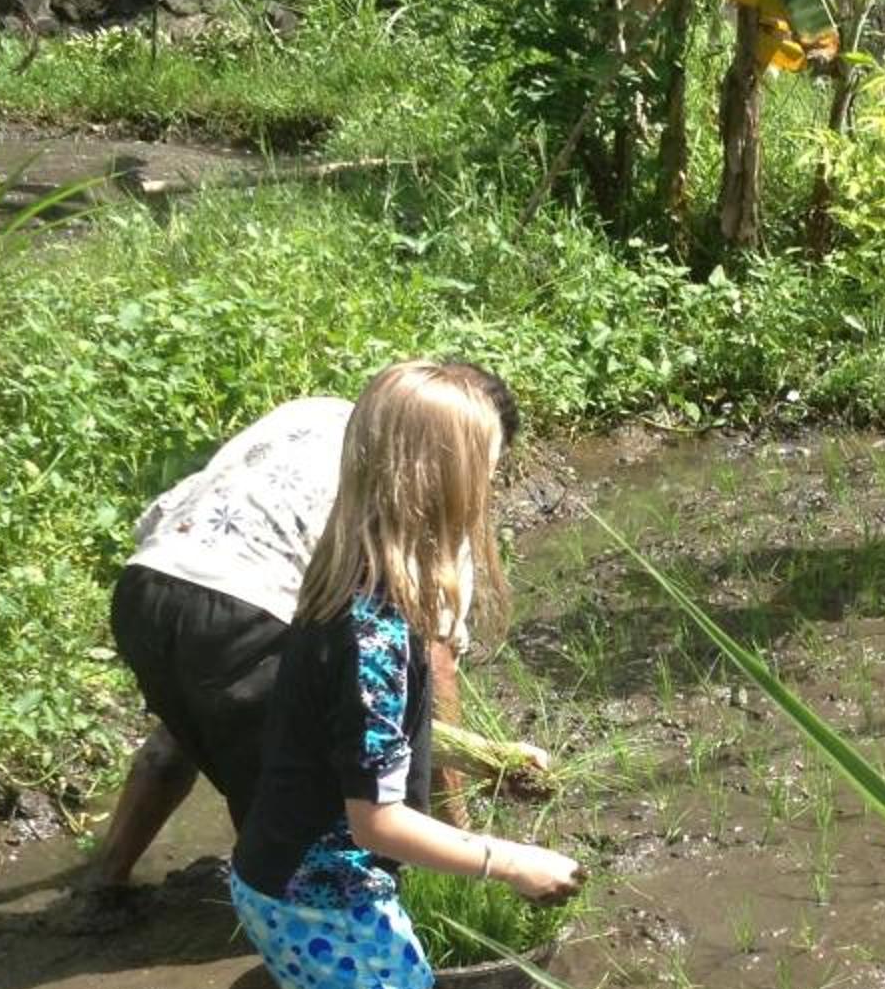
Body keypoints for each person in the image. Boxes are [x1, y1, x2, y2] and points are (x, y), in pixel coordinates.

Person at [226, 361, 583, 989]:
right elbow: (376, 822)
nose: (493, 487)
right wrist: (514, 861)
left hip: (268, 881)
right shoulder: (376, 635)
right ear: (444, 480)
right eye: (486, 468)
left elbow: (351, 751)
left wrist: (479, 759)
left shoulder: (338, 586)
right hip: (329, 902)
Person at [84, 368, 549, 912]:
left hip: (148, 588)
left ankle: (104, 885)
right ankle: (307, 937)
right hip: (248, 615)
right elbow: (431, 672)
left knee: (191, 724)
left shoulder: (315, 413)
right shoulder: (428, 499)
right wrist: (461, 836)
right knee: (311, 833)